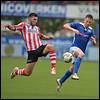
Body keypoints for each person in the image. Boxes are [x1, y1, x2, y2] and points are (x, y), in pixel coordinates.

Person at [5, 13, 57, 79]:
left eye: (36, 20)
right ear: (29, 19)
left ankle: (53, 68)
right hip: (32, 52)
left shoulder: (37, 28)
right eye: (34, 19)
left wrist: (48, 37)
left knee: (51, 47)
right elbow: (14, 27)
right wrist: (9, 26)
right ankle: (16, 72)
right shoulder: (23, 25)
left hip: (40, 48)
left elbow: (41, 36)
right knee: (27, 73)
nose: (35, 21)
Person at [56, 14, 96, 92]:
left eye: (89, 22)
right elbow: (65, 25)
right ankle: (75, 74)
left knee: (71, 69)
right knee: (81, 55)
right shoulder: (78, 25)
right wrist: (73, 30)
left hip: (80, 50)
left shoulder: (91, 30)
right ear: (84, 20)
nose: (88, 23)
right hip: (74, 47)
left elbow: (94, 41)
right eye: (87, 21)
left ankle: (60, 81)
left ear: (91, 23)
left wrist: (94, 41)